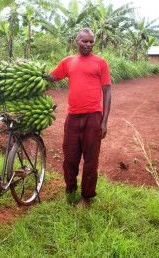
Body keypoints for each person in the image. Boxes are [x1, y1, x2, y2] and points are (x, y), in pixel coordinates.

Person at [47, 28, 111, 209]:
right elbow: (52, 77)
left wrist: (104, 121)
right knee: (69, 157)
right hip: (73, 118)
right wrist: (26, 67)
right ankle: (70, 188)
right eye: (85, 41)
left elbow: (107, 91)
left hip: (93, 117)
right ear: (77, 42)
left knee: (91, 160)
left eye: (91, 41)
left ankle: (86, 197)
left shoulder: (101, 63)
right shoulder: (68, 62)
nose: (88, 45)